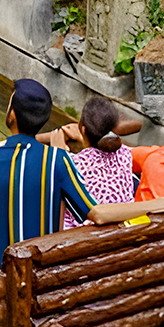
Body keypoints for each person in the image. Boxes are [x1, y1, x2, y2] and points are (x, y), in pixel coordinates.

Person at [0, 79, 164, 271]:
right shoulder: (60, 160)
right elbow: (96, 213)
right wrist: (155, 204)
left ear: (12, 116)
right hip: (40, 270)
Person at [51, 97, 138, 229]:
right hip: (123, 226)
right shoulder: (126, 153)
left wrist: (56, 147)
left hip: (85, 234)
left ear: (84, 130)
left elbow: (62, 165)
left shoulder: (74, 163)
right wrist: (83, 139)